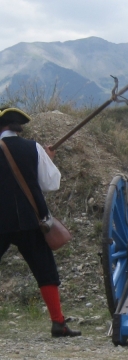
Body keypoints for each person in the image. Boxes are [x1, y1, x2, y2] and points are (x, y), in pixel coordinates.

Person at [0, 107, 81, 337]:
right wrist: (47, 159)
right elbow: (50, 184)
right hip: (31, 221)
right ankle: (58, 323)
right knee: (45, 272)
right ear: (17, 127)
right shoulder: (33, 148)